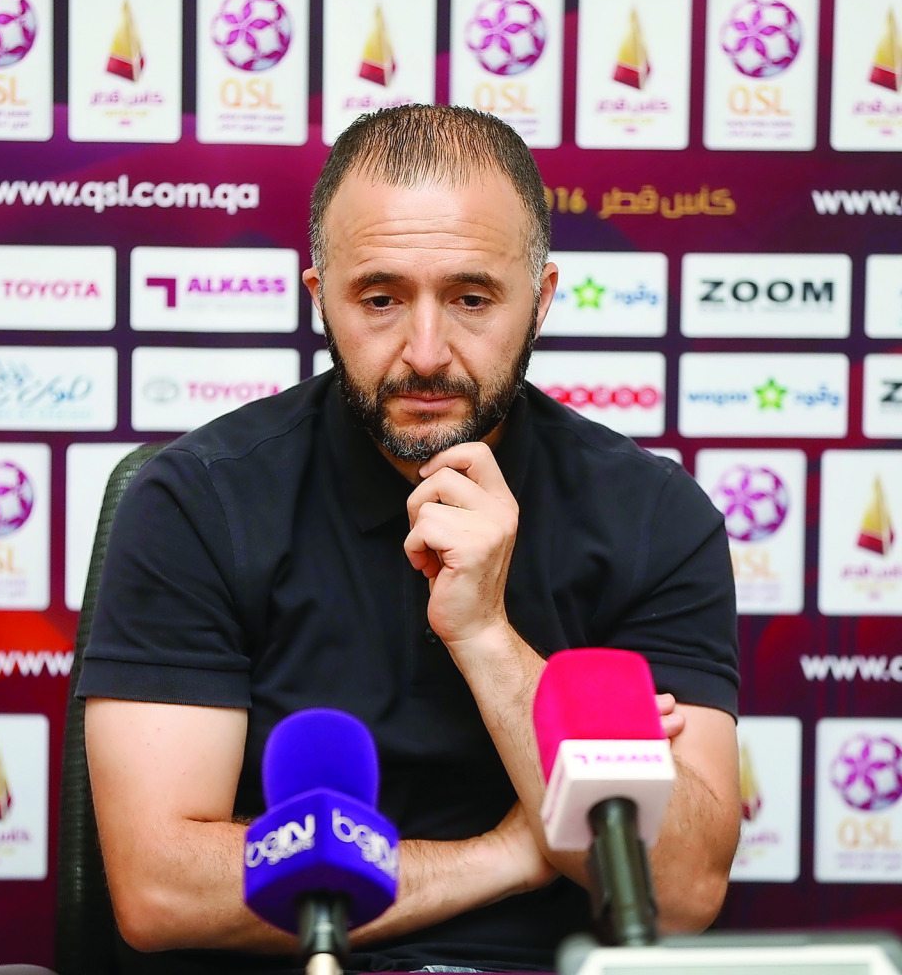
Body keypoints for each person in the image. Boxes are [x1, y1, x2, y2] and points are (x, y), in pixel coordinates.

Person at [79, 104, 741, 975]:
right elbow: (161, 891)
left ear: (541, 299)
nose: (426, 353)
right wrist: (506, 856)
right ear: (320, 298)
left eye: (472, 298)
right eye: (381, 298)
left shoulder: (657, 516)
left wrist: (487, 637)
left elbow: (679, 892)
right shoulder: (198, 500)